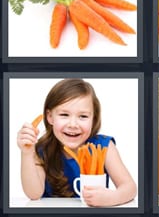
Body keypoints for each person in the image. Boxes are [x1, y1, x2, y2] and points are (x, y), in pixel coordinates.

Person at [17, 78, 137, 207]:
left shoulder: (104, 146)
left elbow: (130, 188)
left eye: (83, 116)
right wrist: (27, 153)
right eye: (64, 115)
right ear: (50, 117)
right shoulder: (41, 149)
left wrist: (111, 198)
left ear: (93, 118)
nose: (73, 125)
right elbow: (34, 194)